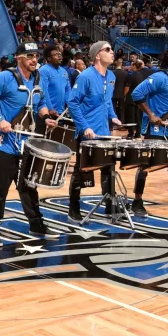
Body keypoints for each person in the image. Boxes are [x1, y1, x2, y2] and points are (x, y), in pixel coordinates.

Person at [0, 41, 59, 245]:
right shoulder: (6, 77)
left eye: (36, 56)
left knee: (29, 186)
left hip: (27, 143)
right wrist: (0, 120)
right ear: (19, 58)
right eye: (30, 56)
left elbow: (40, 103)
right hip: (5, 143)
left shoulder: (38, 78)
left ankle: (36, 224)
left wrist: (46, 117)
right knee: (0, 189)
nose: (34, 60)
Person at [130, 46, 168, 212]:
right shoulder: (159, 77)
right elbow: (136, 94)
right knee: (145, 164)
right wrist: (150, 114)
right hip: (155, 129)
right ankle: (137, 201)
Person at [66, 41, 123, 222]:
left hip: (104, 132)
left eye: (112, 49)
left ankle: (109, 205)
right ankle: (73, 207)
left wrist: (113, 116)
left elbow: (108, 101)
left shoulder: (111, 76)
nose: (112, 52)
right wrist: (84, 127)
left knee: (109, 169)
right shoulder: (86, 76)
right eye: (108, 49)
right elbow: (72, 102)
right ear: (97, 55)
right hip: (88, 133)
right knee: (82, 170)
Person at [38, 44, 70, 132]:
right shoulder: (44, 70)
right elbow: (44, 91)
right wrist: (49, 108)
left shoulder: (64, 71)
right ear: (49, 58)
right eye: (56, 55)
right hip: (47, 112)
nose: (60, 57)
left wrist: (69, 104)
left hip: (61, 112)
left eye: (60, 54)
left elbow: (67, 89)